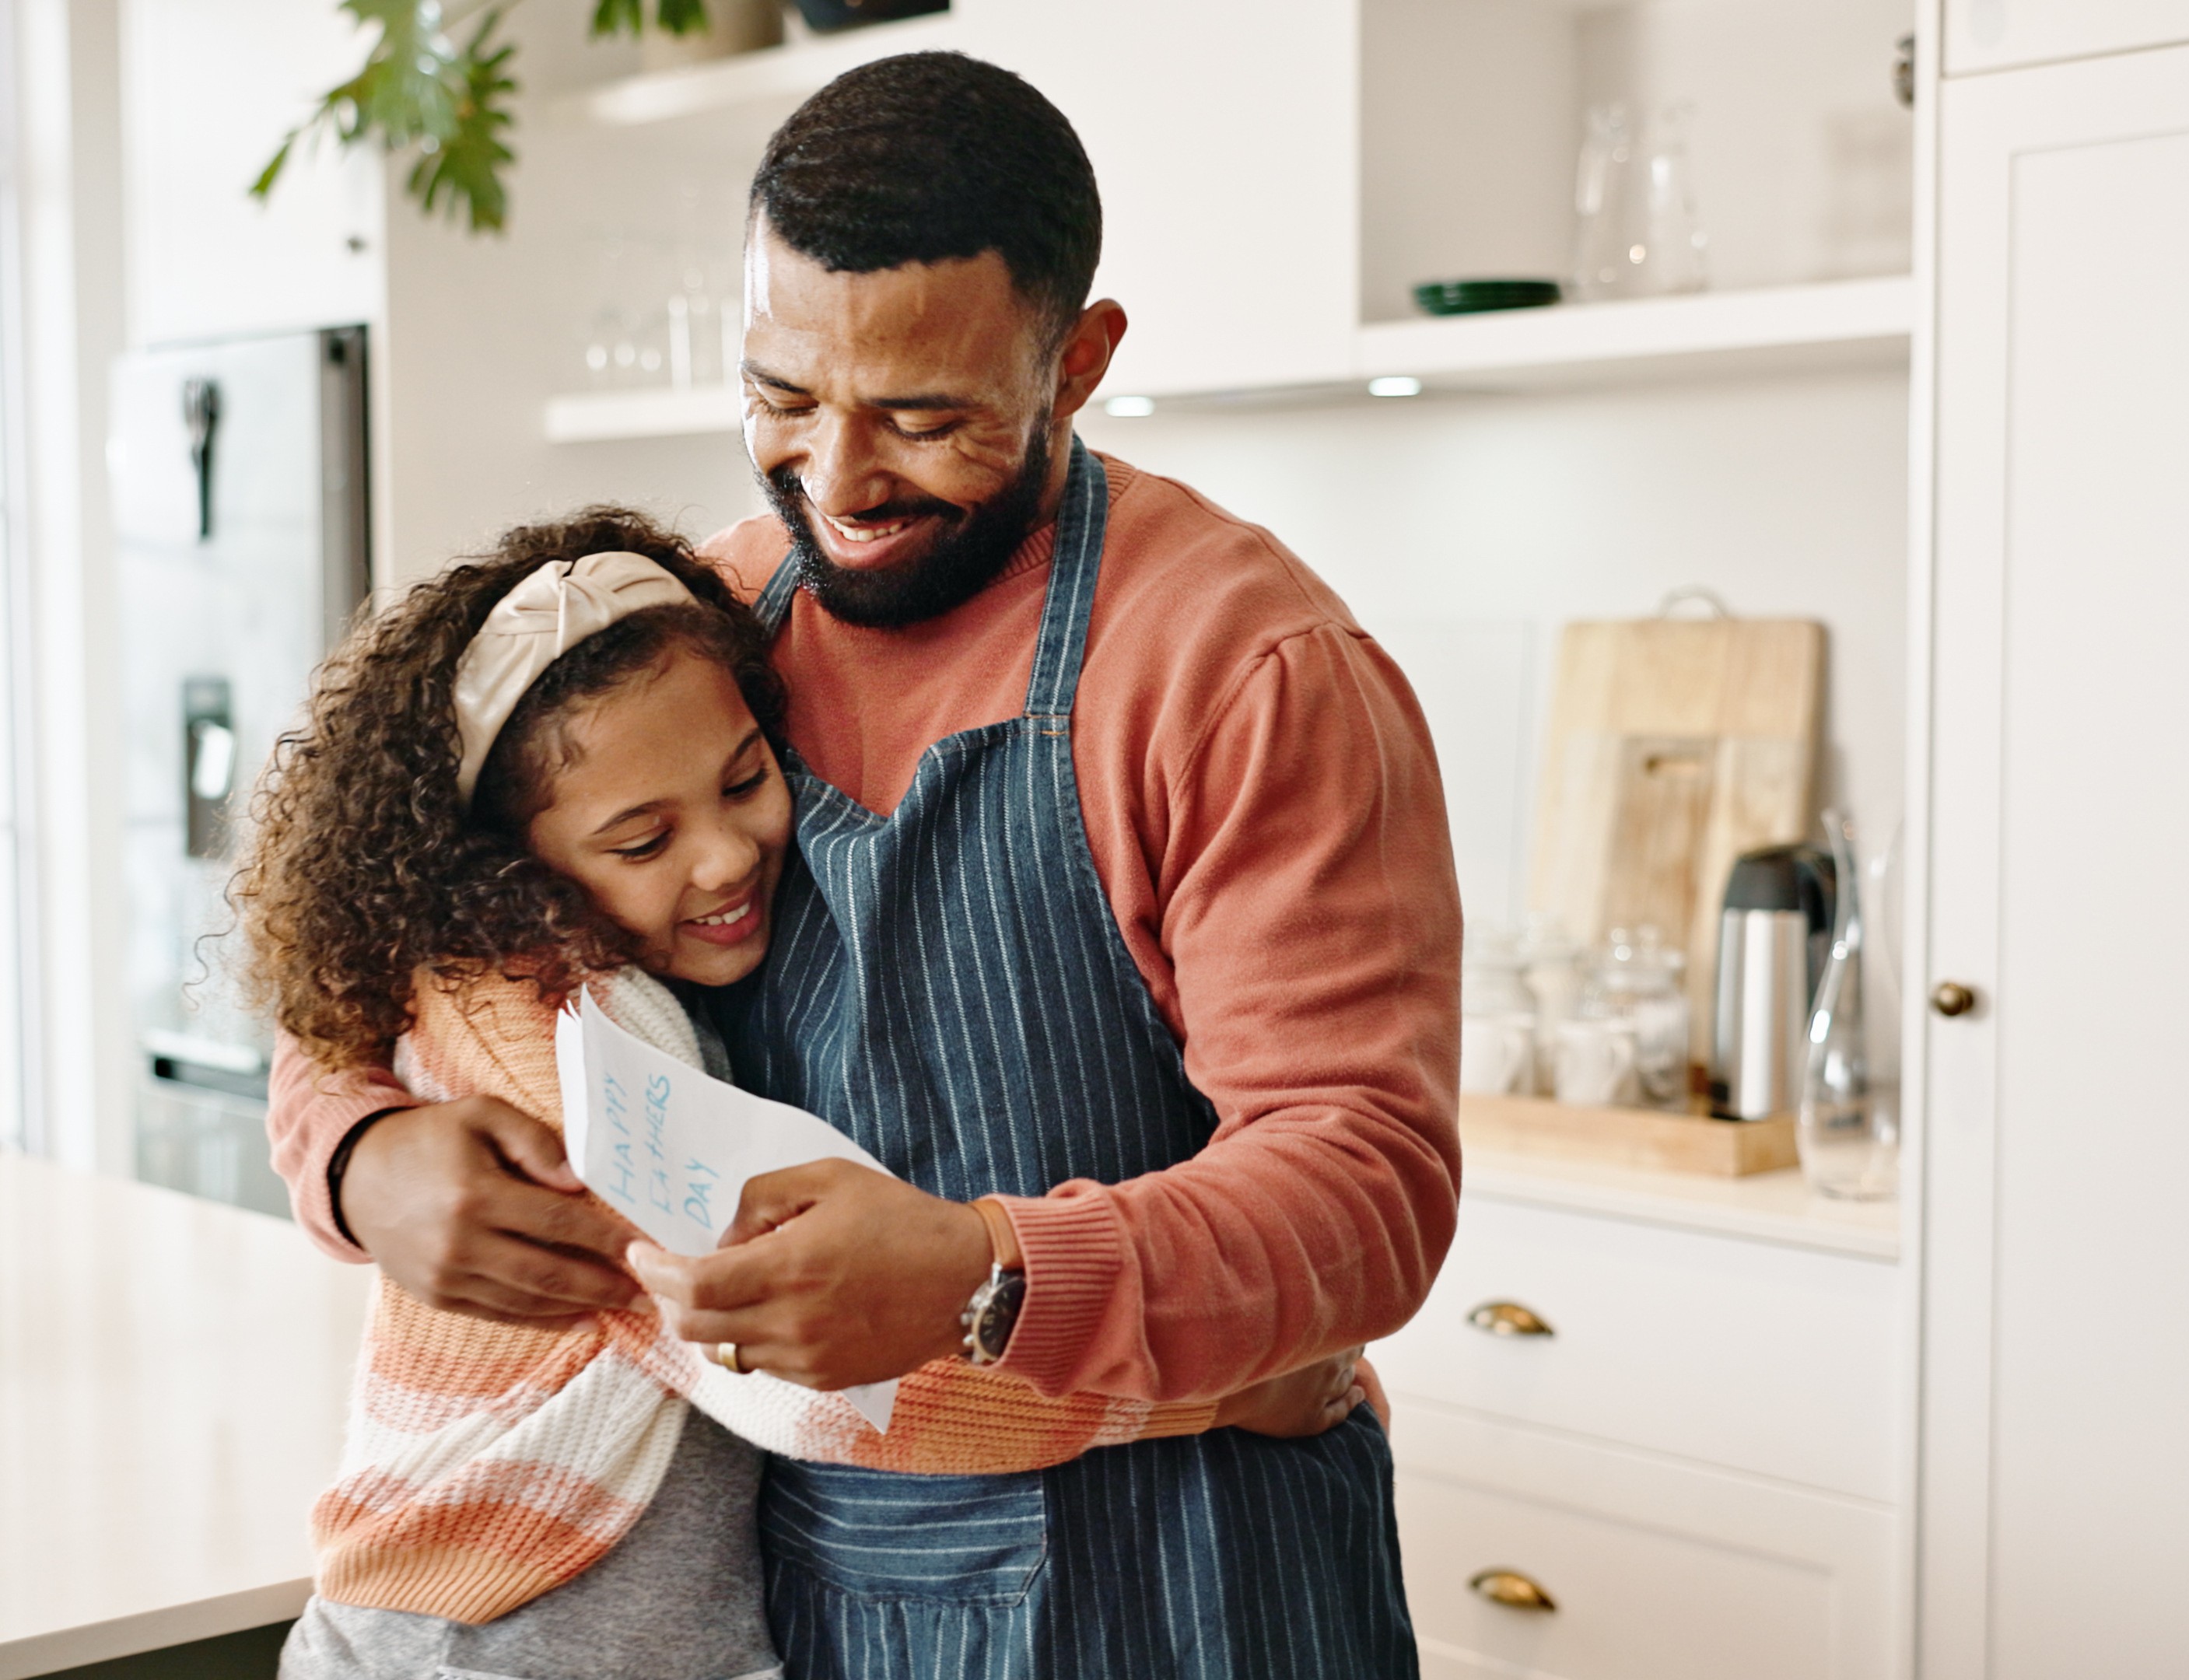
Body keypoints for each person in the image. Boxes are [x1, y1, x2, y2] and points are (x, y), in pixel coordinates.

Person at [268, 51, 1462, 1678]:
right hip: (821, 1591)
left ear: (1077, 362)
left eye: (922, 417)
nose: (835, 483)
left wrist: (987, 1274)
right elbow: (393, 940)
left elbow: (1367, 1188)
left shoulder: (1242, 670)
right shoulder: (703, 629)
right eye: (781, 398)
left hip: (1191, 1581)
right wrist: (358, 1156)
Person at [240, 510, 1377, 1680]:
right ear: (503, 867)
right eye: (642, 843)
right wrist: (1214, 1393)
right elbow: (815, 1394)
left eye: (748, 780)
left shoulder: (671, 677)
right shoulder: (562, 1046)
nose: (726, 856)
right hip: (488, 1644)